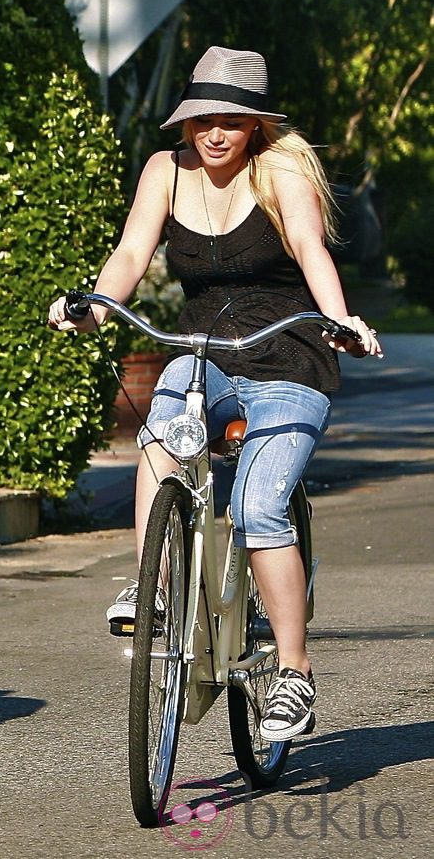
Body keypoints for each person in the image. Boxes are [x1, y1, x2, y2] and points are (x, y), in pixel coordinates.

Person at [47, 46, 383, 742]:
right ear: (187, 122)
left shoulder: (280, 169)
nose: (217, 132)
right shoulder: (164, 172)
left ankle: (294, 671)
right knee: (158, 438)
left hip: (289, 354)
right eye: (204, 119)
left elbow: (312, 249)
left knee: (258, 508)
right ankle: (155, 587)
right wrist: (97, 305)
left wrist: (341, 320)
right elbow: (132, 252)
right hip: (204, 352)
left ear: (256, 124)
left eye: (232, 119)